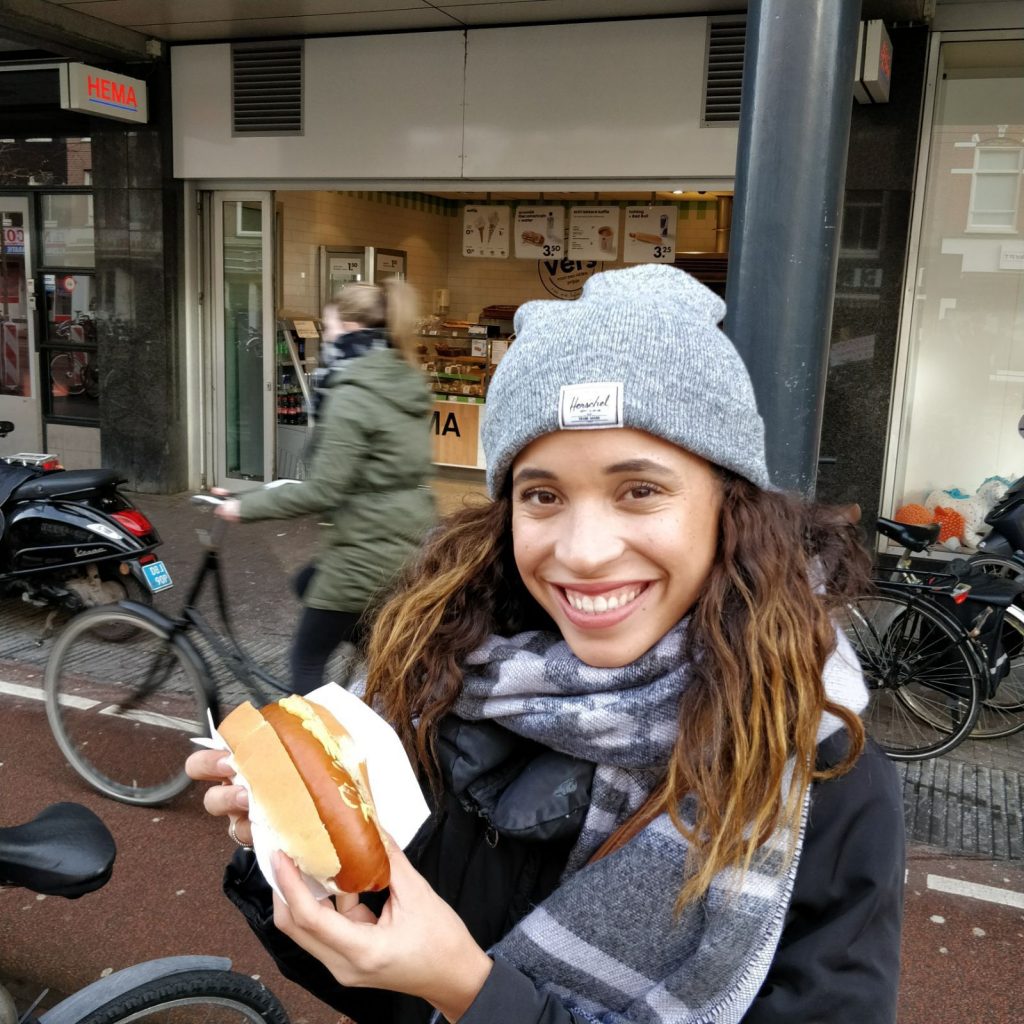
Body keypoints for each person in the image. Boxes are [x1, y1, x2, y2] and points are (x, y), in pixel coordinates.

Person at [187, 264, 905, 1024]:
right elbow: (389, 985)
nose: (585, 551)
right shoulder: (445, 684)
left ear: (731, 507)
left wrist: (474, 991)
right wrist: (299, 865)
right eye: (543, 495)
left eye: (640, 490)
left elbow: (447, 985)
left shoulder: (826, 776)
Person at [213, 280, 435, 694]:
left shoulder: (352, 395)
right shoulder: (404, 380)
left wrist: (244, 507)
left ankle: (318, 746)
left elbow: (324, 491)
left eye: (329, 329)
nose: (326, 339)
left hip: (364, 551)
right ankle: (388, 669)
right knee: (306, 583)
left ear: (349, 328)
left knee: (306, 661)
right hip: (405, 540)